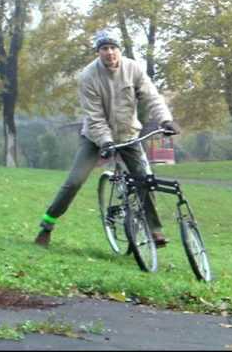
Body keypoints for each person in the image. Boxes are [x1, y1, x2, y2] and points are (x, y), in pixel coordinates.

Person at [35, 29, 180, 248]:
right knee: (74, 181)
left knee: (145, 180)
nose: (109, 52)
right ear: (98, 52)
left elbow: (152, 98)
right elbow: (94, 117)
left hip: (128, 135)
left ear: (119, 50)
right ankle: (47, 226)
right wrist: (105, 141)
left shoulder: (133, 69)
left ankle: (155, 230)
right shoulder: (88, 76)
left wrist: (165, 120)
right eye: (104, 48)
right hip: (95, 139)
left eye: (113, 47)